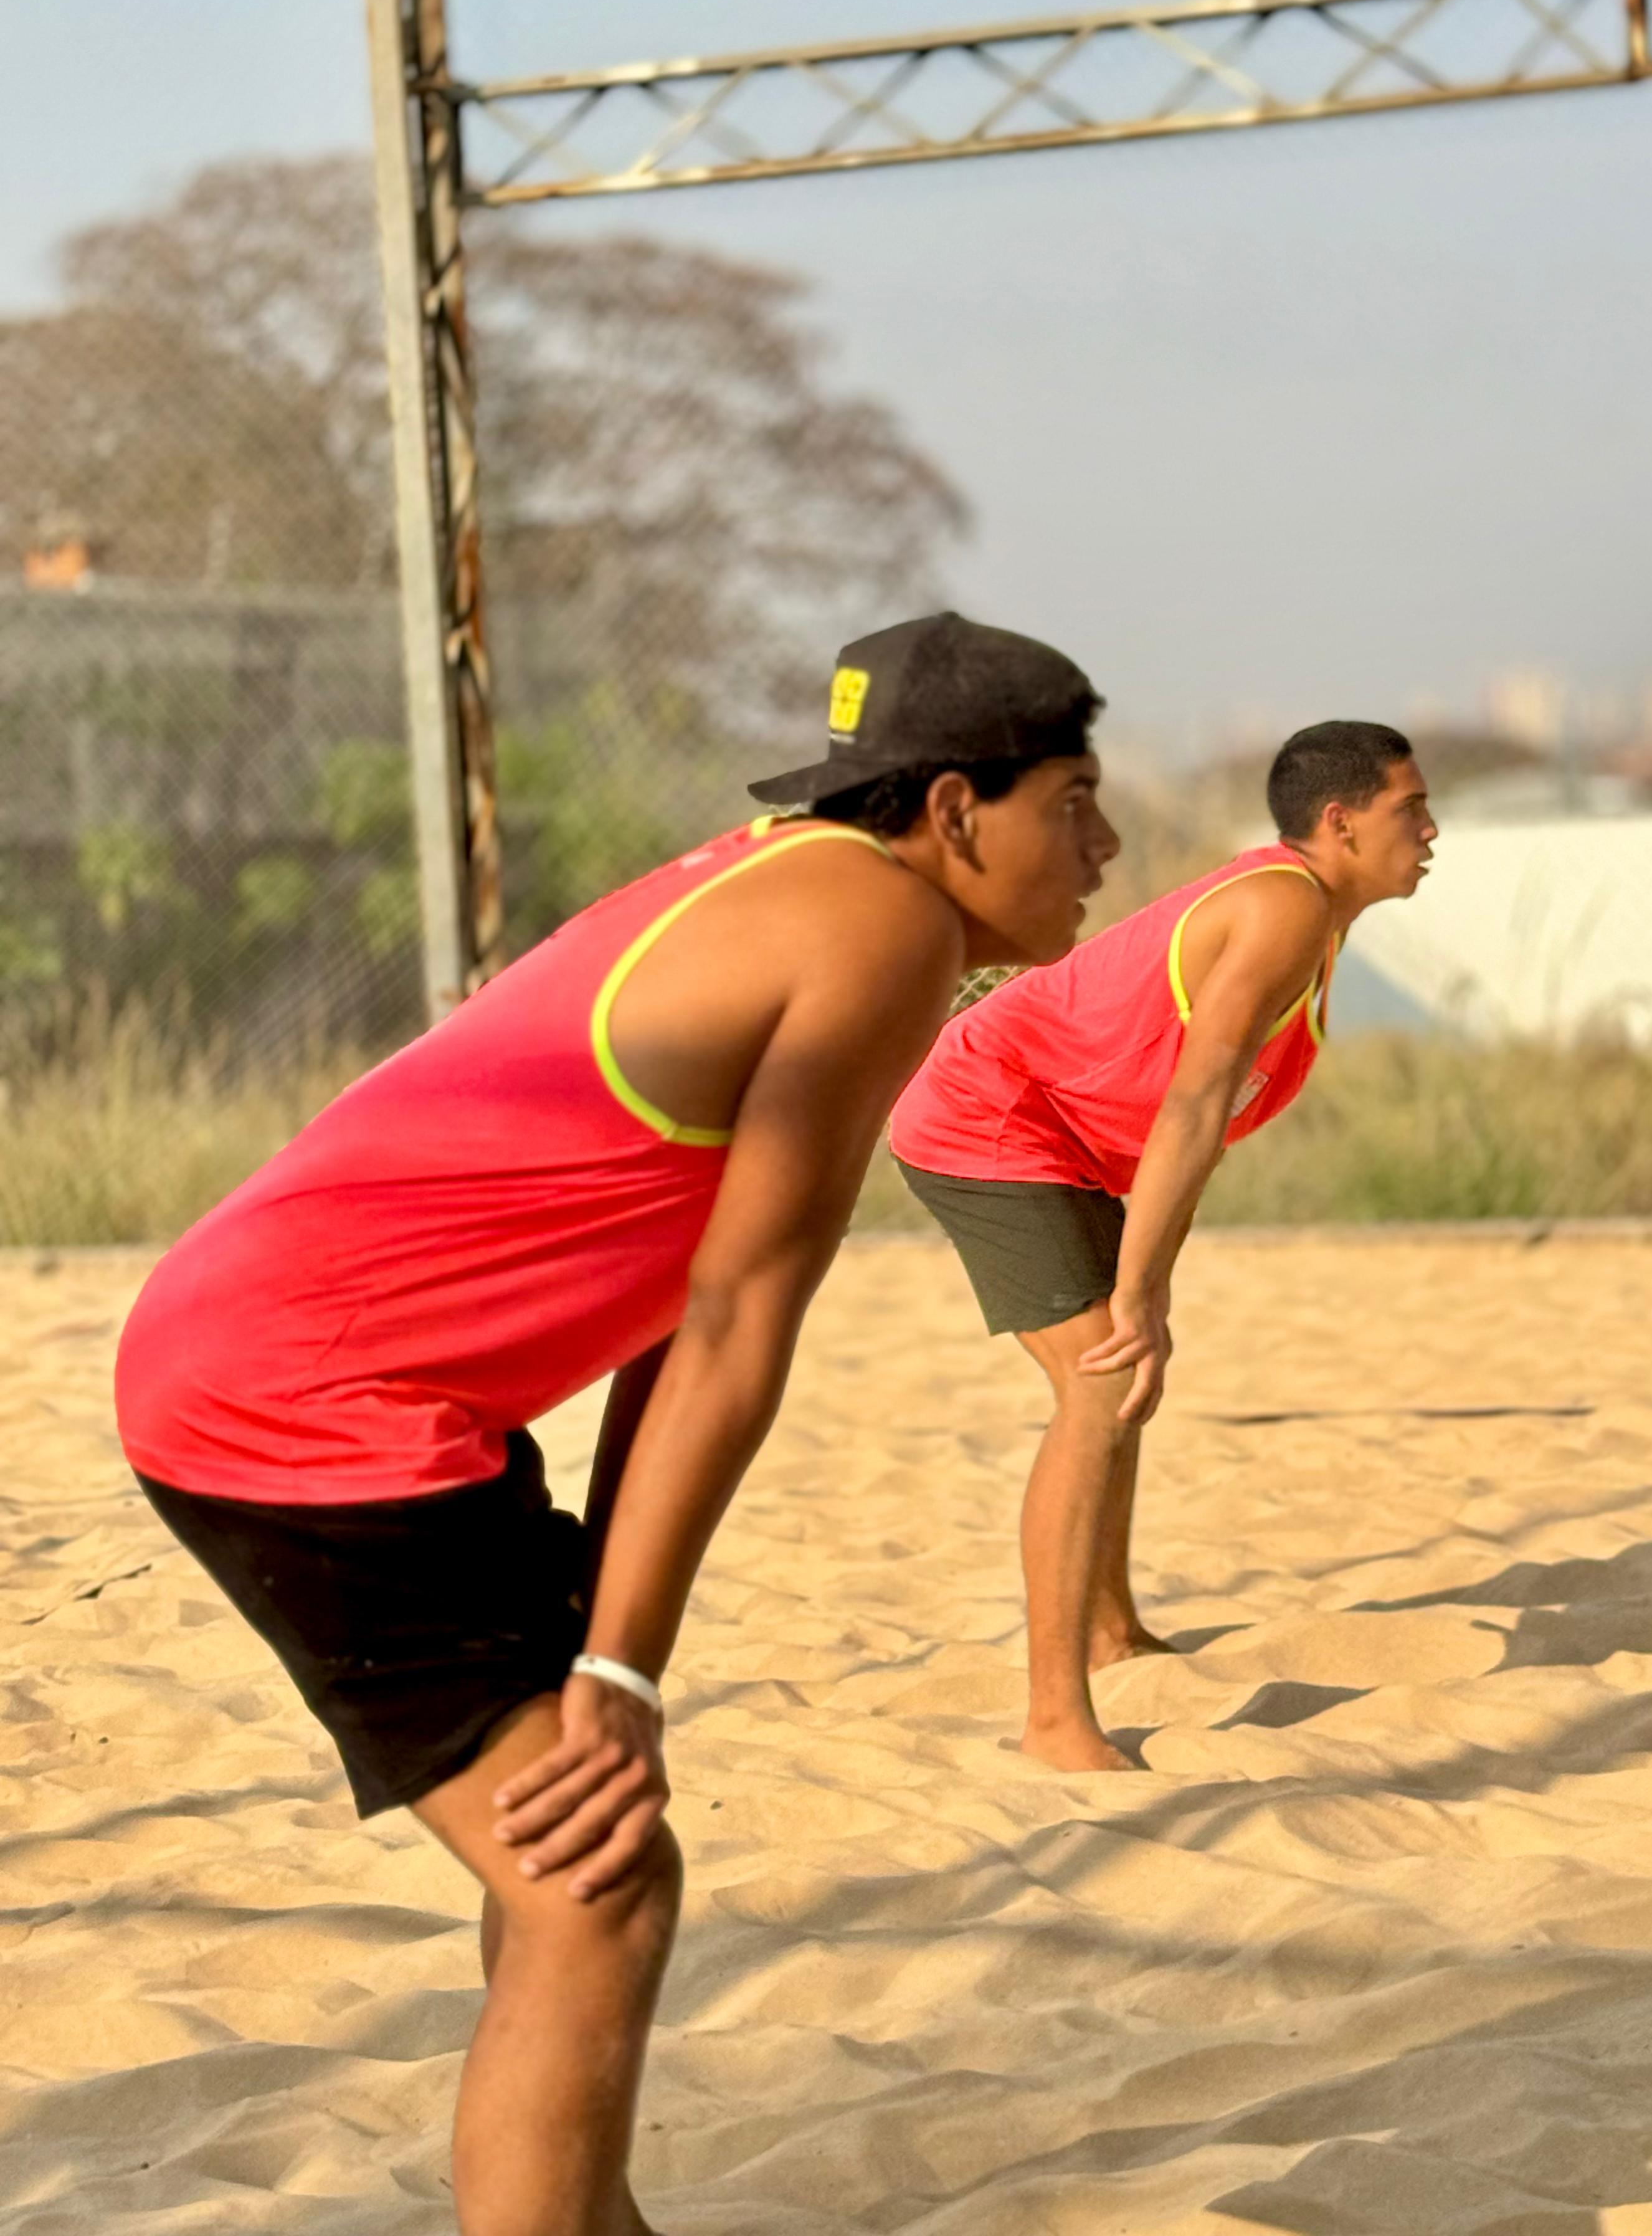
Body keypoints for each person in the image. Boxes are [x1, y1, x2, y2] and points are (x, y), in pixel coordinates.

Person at [115, 611, 1116, 2236]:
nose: (1105, 842)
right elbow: (737, 1322)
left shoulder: (775, 876)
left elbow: (686, 1302)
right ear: (953, 810)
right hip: (300, 1401)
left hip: (322, 1375)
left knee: (571, 1859)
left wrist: (600, 1628)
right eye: (1073, 798)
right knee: (600, 1882)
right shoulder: (881, 931)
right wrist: (622, 1669)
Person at [890, 720, 1436, 1772]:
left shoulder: (1311, 919)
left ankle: (1111, 1629)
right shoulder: (1285, 905)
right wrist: (1134, 1295)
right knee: (1099, 1385)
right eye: (1410, 808)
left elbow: (1196, 1128)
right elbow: (1193, 1103)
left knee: (1123, 1366)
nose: (1430, 828)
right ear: (1341, 822)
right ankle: (1055, 1720)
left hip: (1074, 1144)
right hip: (989, 1115)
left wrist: (1154, 1289)